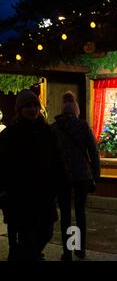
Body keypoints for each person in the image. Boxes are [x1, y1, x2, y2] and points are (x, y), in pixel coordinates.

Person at [0, 89, 62, 261]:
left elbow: (57, 160)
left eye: (35, 105)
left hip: (44, 194)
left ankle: (24, 255)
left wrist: (58, 185)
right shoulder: (10, 134)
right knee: (27, 236)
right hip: (20, 196)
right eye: (28, 106)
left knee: (46, 232)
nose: (33, 109)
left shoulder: (47, 132)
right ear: (20, 109)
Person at [52, 91, 100, 261]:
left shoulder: (54, 127)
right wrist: (96, 174)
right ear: (76, 110)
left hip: (62, 175)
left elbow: (51, 155)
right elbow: (93, 152)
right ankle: (79, 248)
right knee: (80, 212)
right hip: (82, 175)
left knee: (65, 213)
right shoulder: (83, 125)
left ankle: (67, 252)